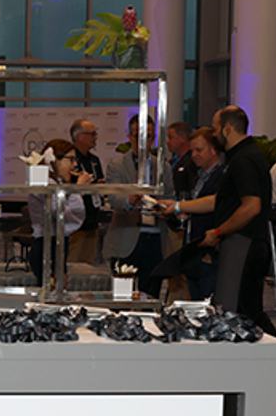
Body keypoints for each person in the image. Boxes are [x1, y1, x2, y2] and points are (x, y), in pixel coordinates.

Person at [198, 106, 276, 402]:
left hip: (242, 244)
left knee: (243, 313)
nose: (213, 133)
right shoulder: (245, 157)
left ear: (227, 128)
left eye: (215, 128)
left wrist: (218, 232)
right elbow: (223, 201)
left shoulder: (244, 160)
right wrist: (178, 207)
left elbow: (251, 206)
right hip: (244, 243)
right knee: (246, 311)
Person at [157, 126, 226, 300]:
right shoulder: (200, 175)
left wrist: (180, 206)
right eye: (192, 149)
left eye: (199, 150)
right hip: (195, 250)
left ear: (213, 150)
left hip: (210, 251)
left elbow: (213, 203)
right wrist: (181, 210)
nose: (194, 154)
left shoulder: (222, 175)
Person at [105, 114, 167, 297]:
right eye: (138, 136)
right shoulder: (116, 165)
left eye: (148, 137)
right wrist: (130, 200)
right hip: (126, 237)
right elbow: (114, 199)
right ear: (129, 137)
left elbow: (171, 196)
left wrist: (165, 207)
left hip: (156, 239)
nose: (143, 142)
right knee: (121, 296)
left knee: (151, 296)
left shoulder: (163, 166)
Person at [27, 138, 94, 286]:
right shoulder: (44, 183)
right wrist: (77, 188)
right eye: (70, 159)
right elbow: (56, 210)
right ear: (55, 161)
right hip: (45, 246)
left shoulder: (58, 184)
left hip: (58, 244)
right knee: (50, 291)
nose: (74, 164)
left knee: (59, 288)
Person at [67, 118, 107, 263]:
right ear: (79, 136)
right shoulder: (69, 159)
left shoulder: (94, 160)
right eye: (92, 134)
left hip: (92, 220)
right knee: (72, 264)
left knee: (88, 265)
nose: (95, 137)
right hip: (75, 224)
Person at [165, 121, 196, 198]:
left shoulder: (192, 161)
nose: (167, 142)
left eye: (171, 137)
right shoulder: (172, 162)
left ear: (182, 138)